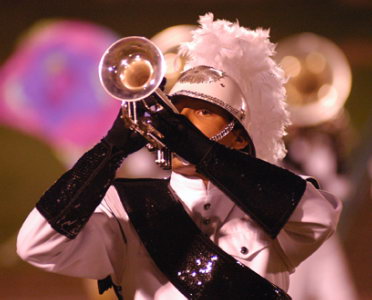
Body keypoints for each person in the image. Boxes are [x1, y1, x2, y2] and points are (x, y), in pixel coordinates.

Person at [16, 13, 342, 300]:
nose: (181, 122)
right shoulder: (123, 206)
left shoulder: (273, 205)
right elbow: (37, 245)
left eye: (201, 111)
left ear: (240, 137)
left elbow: (320, 216)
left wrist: (202, 153)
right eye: (177, 112)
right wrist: (109, 151)